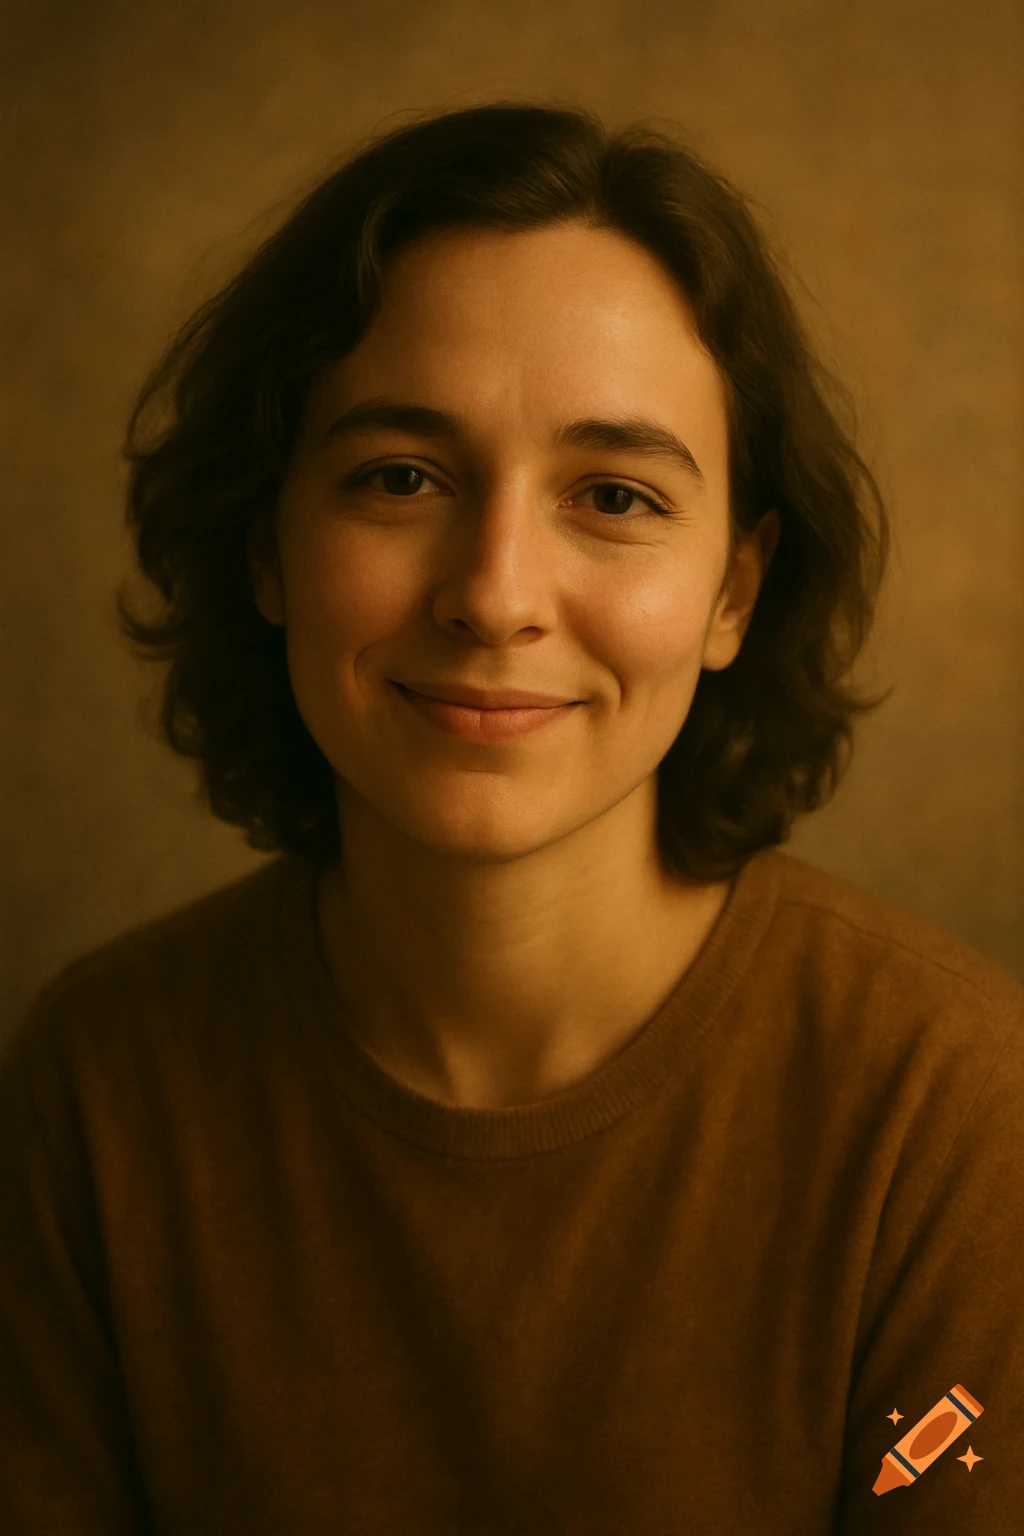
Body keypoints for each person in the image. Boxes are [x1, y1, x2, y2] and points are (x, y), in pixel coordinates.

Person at [1, 99, 1021, 1534]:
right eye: (400, 478)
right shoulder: (96, 1090)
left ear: (734, 592)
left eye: (613, 496)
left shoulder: (953, 1111)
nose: (493, 595)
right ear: (266, 544)